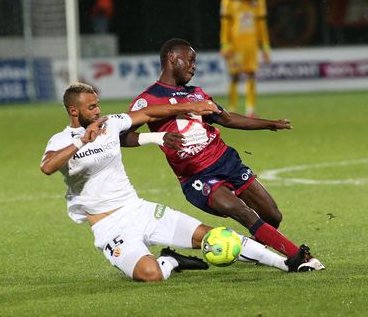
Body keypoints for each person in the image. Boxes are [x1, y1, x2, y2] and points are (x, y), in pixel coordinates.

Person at [41, 83, 320, 282]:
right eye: (91, 107)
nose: (98, 111)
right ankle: (172, 260)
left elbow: (150, 114)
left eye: (98, 104)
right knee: (150, 275)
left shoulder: (109, 123)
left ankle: (288, 262)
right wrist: (81, 140)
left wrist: (189, 107)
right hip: (108, 226)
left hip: (139, 210)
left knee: (215, 236)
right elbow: (48, 166)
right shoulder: (61, 140)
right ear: (73, 111)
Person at [127, 39, 325, 272]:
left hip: (226, 161)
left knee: (272, 216)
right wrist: (156, 138)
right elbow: (121, 136)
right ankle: (297, 257)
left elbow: (228, 119)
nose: (193, 66)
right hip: (196, 176)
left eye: (195, 62)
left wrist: (268, 124)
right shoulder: (147, 99)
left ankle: (251, 250)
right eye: (190, 60)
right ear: (172, 58)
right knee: (240, 211)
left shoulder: (196, 94)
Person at [220, 0, 270, 118]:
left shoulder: (258, 0)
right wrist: (225, 44)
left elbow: (262, 26)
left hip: (251, 44)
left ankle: (250, 110)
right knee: (234, 75)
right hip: (234, 45)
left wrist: (265, 47)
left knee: (250, 74)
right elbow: (225, 25)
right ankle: (231, 109)